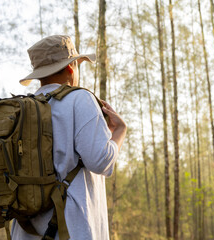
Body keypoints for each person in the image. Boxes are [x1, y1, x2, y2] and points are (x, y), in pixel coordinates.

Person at [10, 35, 127, 239]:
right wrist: (119, 131)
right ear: (72, 66)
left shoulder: (22, 108)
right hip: (70, 228)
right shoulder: (80, 99)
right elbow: (101, 162)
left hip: (25, 230)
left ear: (39, 75)